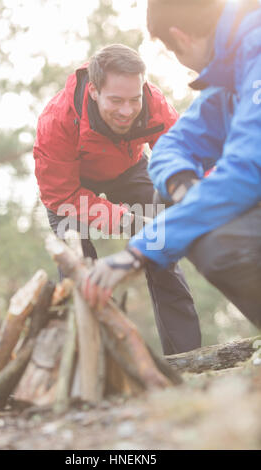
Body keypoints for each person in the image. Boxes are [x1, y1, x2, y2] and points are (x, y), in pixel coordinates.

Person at [82, 0, 261, 332]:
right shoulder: (232, 74)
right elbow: (173, 145)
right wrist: (181, 185)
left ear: (181, 38)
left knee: (219, 245)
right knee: (167, 201)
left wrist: (139, 252)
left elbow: (247, 170)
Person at [33, 44, 201, 355]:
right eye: (116, 101)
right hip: (69, 189)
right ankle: (102, 363)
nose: (127, 110)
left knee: (159, 247)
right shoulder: (56, 122)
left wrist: (197, 200)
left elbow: (184, 155)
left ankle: (187, 357)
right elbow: (60, 194)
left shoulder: (153, 103)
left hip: (127, 169)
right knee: (80, 270)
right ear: (94, 91)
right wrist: (126, 220)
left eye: (134, 99)